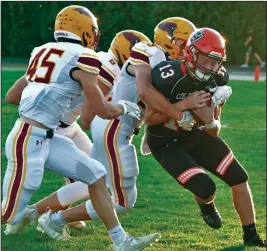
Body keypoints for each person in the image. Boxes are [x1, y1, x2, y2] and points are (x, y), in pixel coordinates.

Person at [2, 5, 161, 250]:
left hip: (46, 135)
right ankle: (34, 215)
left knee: (97, 176)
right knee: (8, 215)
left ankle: (121, 241)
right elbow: (102, 111)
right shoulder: (85, 57)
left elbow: (12, 96)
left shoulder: (41, 51)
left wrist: (43, 100)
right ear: (86, 32)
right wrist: (124, 108)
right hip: (29, 139)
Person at [145, 27, 266, 247]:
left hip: (197, 135)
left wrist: (210, 120)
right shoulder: (168, 76)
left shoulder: (217, 78)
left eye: (214, 61)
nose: (210, 67)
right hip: (166, 143)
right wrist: (184, 106)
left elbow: (213, 131)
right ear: (190, 53)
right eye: (206, 59)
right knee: (205, 188)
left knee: (239, 177)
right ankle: (206, 205)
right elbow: (150, 118)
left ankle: (251, 235)